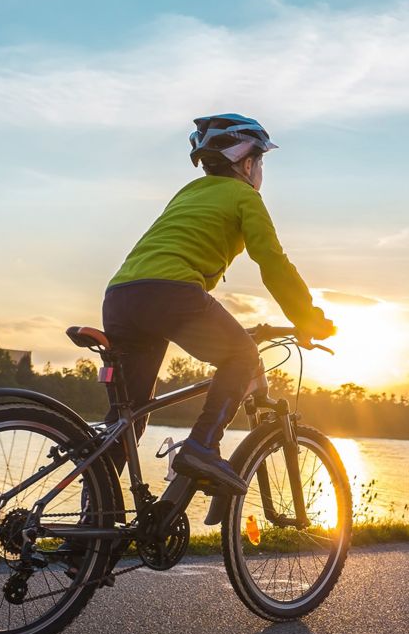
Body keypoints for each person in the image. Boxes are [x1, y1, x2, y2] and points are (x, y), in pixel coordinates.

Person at [102, 114, 335, 496]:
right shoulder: (246, 196)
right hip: (171, 292)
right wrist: (307, 318)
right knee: (242, 355)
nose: (260, 171)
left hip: (121, 296)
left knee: (126, 420)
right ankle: (202, 446)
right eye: (260, 162)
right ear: (247, 163)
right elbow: (273, 264)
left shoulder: (188, 192)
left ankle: (90, 532)